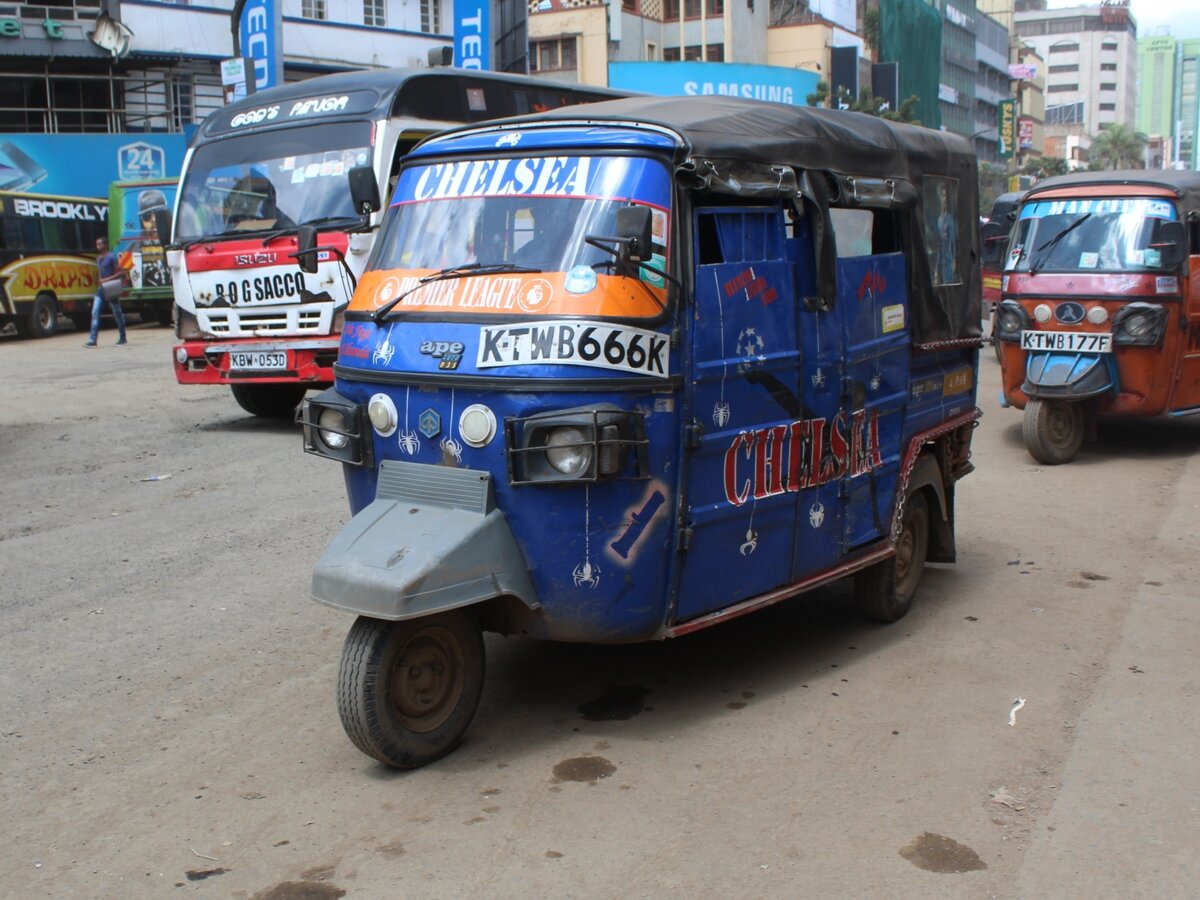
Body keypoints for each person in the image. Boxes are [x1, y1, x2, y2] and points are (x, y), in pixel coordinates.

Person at [84, 237, 127, 347]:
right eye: (97, 244)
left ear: (105, 245)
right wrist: (100, 280)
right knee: (95, 312)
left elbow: (121, 272)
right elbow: (100, 272)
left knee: (117, 314)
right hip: (101, 289)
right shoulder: (98, 258)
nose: (97, 246)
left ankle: (122, 338)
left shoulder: (111, 257)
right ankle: (93, 339)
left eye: (100, 244)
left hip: (110, 287)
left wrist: (106, 279)